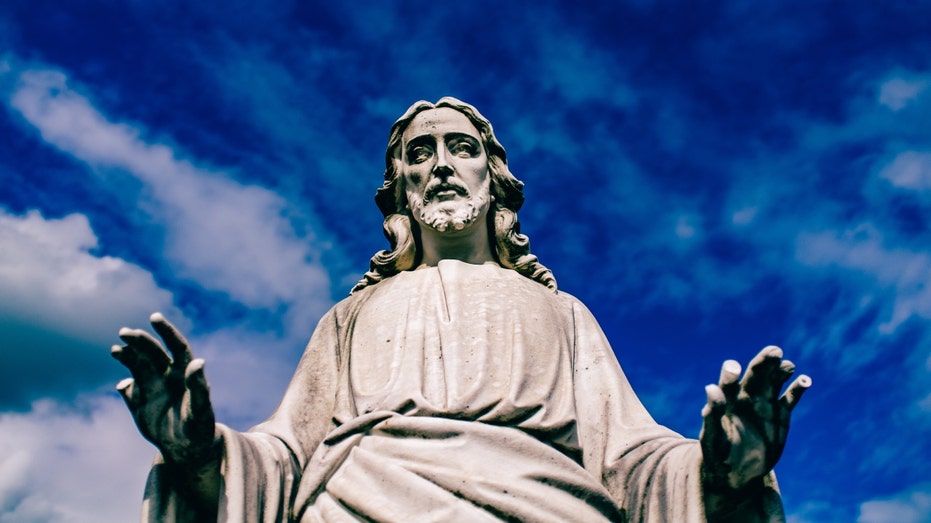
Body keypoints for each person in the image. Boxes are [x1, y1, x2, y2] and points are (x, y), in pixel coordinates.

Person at [112, 97, 810, 522]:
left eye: (461, 148)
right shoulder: (348, 318)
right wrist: (196, 448)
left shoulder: (562, 313)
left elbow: (627, 456)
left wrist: (721, 471)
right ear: (400, 187)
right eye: (420, 153)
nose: (442, 163)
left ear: (492, 176)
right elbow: (283, 457)